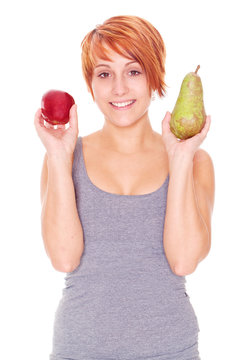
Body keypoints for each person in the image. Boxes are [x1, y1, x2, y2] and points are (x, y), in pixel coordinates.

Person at [34, 15, 215, 360]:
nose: (119, 88)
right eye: (104, 74)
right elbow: (63, 257)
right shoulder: (64, 159)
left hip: (170, 349)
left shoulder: (196, 162)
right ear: (91, 85)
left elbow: (184, 260)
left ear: (155, 76)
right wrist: (59, 156)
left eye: (133, 71)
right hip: (79, 348)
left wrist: (179, 159)